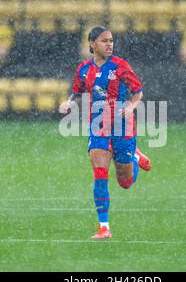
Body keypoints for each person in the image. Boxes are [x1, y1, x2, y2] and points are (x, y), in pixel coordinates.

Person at [59, 26, 152, 239]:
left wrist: (130, 106)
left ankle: (135, 156)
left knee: (125, 182)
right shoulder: (83, 69)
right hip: (98, 126)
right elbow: (77, 90)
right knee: (100, 172)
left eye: (111, 40)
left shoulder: (120, 66)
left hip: (122, 126)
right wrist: (69, 102)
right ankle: (104, 227)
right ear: (92, 44)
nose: (109, 44)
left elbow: (138, 92)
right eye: (104, 41)